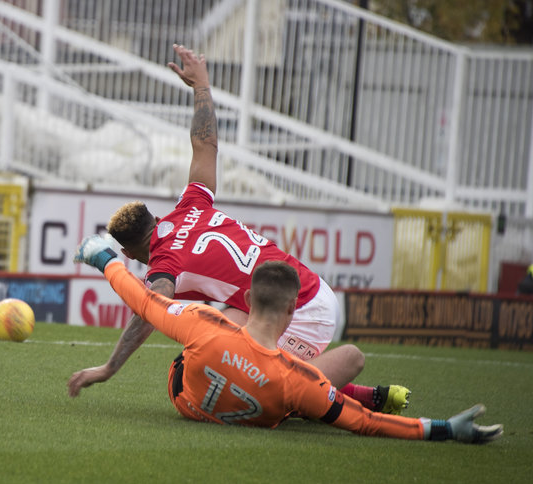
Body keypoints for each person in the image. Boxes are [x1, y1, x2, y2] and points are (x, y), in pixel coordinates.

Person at [68, 44, 409, 414]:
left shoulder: (165, 265)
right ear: (155, 218)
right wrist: (201, 86)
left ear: (129, 254)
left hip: (306, 309)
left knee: (263, 392)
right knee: (216, 340)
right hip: (300, 287)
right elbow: (205, 145)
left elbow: (148, 311)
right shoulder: (190, 205)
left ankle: (355, 394)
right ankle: (339, 387)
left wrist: (107, 368)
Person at [70, 234, 503, 444]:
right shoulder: (298, 379)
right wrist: (444, 430)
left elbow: (144, 302)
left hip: (185, 399)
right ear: (293, 310)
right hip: (271, 401)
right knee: (345, 364)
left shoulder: (204, 324)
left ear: (249, 298)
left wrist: (103, 258)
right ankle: (356, 392)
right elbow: (363, 423)